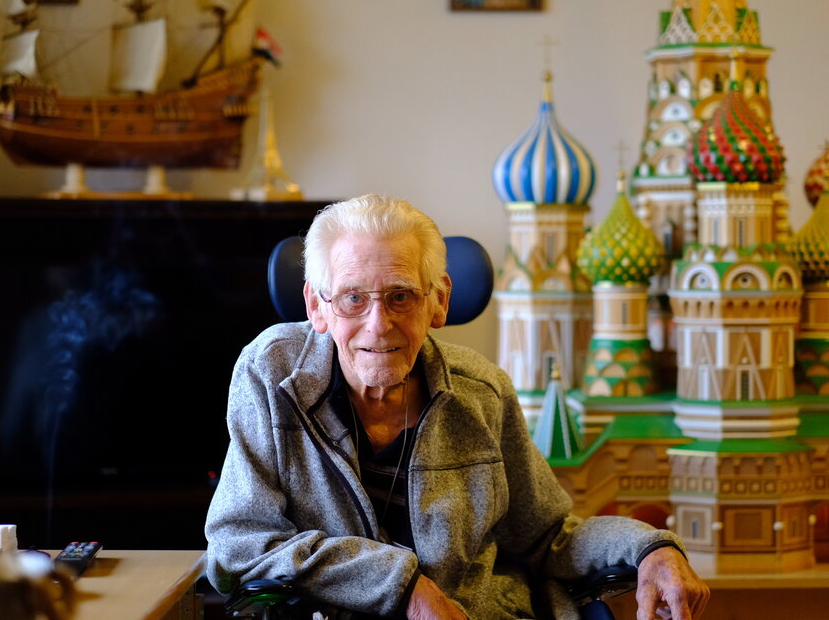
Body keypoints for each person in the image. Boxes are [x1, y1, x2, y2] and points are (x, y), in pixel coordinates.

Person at [205, 194, 709, 619]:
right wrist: (402, 585)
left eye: (401, 297)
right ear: (317, 306)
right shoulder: (273, 374)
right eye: (353, 298)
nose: (378, 324)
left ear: (438, 302)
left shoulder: (482, 392)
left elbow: (550, 537)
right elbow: (240, 543)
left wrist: (651, 548)